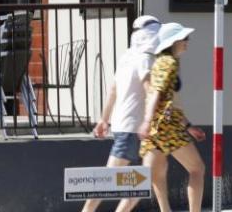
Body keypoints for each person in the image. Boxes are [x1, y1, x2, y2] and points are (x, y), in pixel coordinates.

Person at [81, 15, 162, 212]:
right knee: (111, 180)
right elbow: (150, 89)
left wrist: (104, 119)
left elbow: (113, 90)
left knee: (143, 182)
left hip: (125, 125)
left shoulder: (127, 56)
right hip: (136, 127)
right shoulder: (145, 59)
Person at [139, 22, 206, 212]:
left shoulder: (161, 62)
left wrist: (188, 126)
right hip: (167, 126)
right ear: (174, 41)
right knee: (197, 169)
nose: (187, 42)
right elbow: (155, 94)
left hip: (158, 127)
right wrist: (146, 121)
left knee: (155, 175)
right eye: (184, 38)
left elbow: (171, 100)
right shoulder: (168, 62)